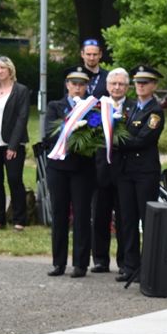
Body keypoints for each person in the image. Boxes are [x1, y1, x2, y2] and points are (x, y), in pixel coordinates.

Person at [44, 67, 96, 277]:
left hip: (82, 168)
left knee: (82, 215)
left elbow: (95, 135)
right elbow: (49, 132)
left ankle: (80, 263)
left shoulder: (92, 108)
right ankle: (59, 262)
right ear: (67, 85)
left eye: (82, 84)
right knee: (59, 214)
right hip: (59, 168)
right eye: (74, 83)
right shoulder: (55, 106)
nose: (77, 88)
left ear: (86, 87)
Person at [114, 65, 164, 284]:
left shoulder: (155, 111)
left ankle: (148, 265)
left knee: (147, 219)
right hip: (126, 171)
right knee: (127, 220)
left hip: (145, 172)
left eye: (145, 83)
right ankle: (130, 265)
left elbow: (144, 139)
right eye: (137, 83)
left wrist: (116, 141)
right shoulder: (131, 107)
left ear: (153, 86)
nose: (140, 86)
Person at [0, 56, 30, 231]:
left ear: (10, 69)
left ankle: (19, 219)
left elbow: (22, 119)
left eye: (2, 67)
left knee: (15, 180)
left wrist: (13, 145)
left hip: (11, 143)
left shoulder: (21, 90)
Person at [92, 67, 130, 273]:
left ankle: (125, 261)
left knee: (125, 217)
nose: (117, 87)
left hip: (125, 170)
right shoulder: (96, 106)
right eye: (113, 84)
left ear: (127, 87)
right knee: (99, 215)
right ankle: (99, 259)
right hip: (100, 170)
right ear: (106, 86)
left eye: (121, 84)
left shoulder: (133, 108)